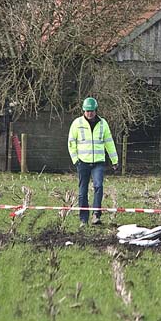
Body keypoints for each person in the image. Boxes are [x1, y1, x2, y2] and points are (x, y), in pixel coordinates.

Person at [68, 97, 118, 227]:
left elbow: (109, 142)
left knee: (98, 186)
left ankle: (96, 215)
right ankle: (83, 219)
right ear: (83, 111)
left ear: (96, 110)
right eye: (87, 111)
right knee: (82, 191)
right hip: (83, 162)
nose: (89, 113)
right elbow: (71, 142)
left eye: (91, 111)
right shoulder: (77, 123)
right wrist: (76, 160)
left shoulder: (103, 124)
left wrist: (114, 160)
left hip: (98, 162)